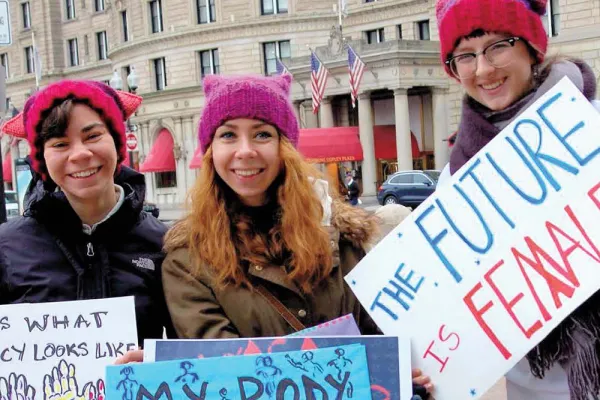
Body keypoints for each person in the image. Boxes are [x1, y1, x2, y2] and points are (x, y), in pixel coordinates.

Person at [124, 73, 429, 397]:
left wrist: (403, 376)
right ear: (211, 151)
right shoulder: (188, 261)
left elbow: (380, 339)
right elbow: (224, 375)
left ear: (285, 148)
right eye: (228, 135)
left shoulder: (345, 237)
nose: (245, 151)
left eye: (262, 134)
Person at [435, 0, 599, 399]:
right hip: (532, 385)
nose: (484, 69)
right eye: (466, 55)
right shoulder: (455, 175)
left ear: (531, 47)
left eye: (498, 45)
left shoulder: (592, 128)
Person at [0, 80, 175, 344]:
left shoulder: (165, 244)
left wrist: (154, 363)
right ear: (42, 160)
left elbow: (187, 350)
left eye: (92, 136)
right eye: (60, 144)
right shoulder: (6, 247)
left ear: (116, 144)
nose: (80, 154)